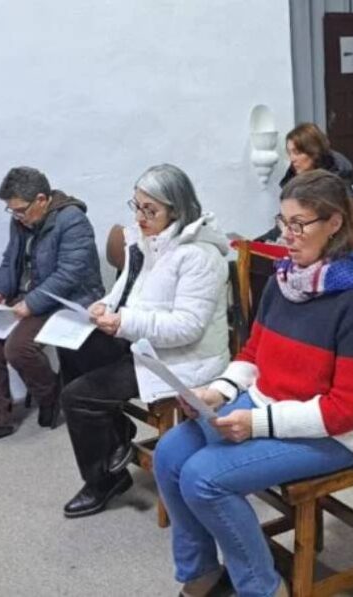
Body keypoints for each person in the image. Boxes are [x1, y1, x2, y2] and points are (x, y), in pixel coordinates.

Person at [153, 170, 353, 597]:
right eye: (283, 222)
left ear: (334, 223)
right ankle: (201, 573)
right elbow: (253, 355)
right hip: (271, 405)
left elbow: (348, 410)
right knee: (169, 454)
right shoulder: (285, 281)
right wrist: (218, 391)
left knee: (204, 479)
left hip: (335, 432)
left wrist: (255, 424)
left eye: (300, 224)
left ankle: (262, 589)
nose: (287, 235)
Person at [58, 164, 230, 518]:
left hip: (181, 358)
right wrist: (105, 305)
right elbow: (127, 289)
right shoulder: (149, 242)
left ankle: (103, 479)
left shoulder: (199, 256)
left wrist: (123, 322)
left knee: (76, 396)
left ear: (177, 210)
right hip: (147, 343)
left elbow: (188, 328)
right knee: (72, 345)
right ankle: (115, 432)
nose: (139, 217)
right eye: (136, 206)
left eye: (149, 210)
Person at [0, 167, 105, 448]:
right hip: (33, 296)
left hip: (70, 299)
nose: (16, 216)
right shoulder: (21, 222)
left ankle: (52, 395)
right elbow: (10, 260)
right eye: (11, 211)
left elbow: (70, 275)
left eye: (20, 210)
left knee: (18, 347)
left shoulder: (73, 221)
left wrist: (32, 303)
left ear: (42, 199)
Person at [255, 122, 353, 242]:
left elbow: (335, 231)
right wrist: (257, 243)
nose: (292, 159)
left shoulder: (334, 184)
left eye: (297, 152)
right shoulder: (295, 179)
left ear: (313, 151)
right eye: (289, 153)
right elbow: (284, 226)